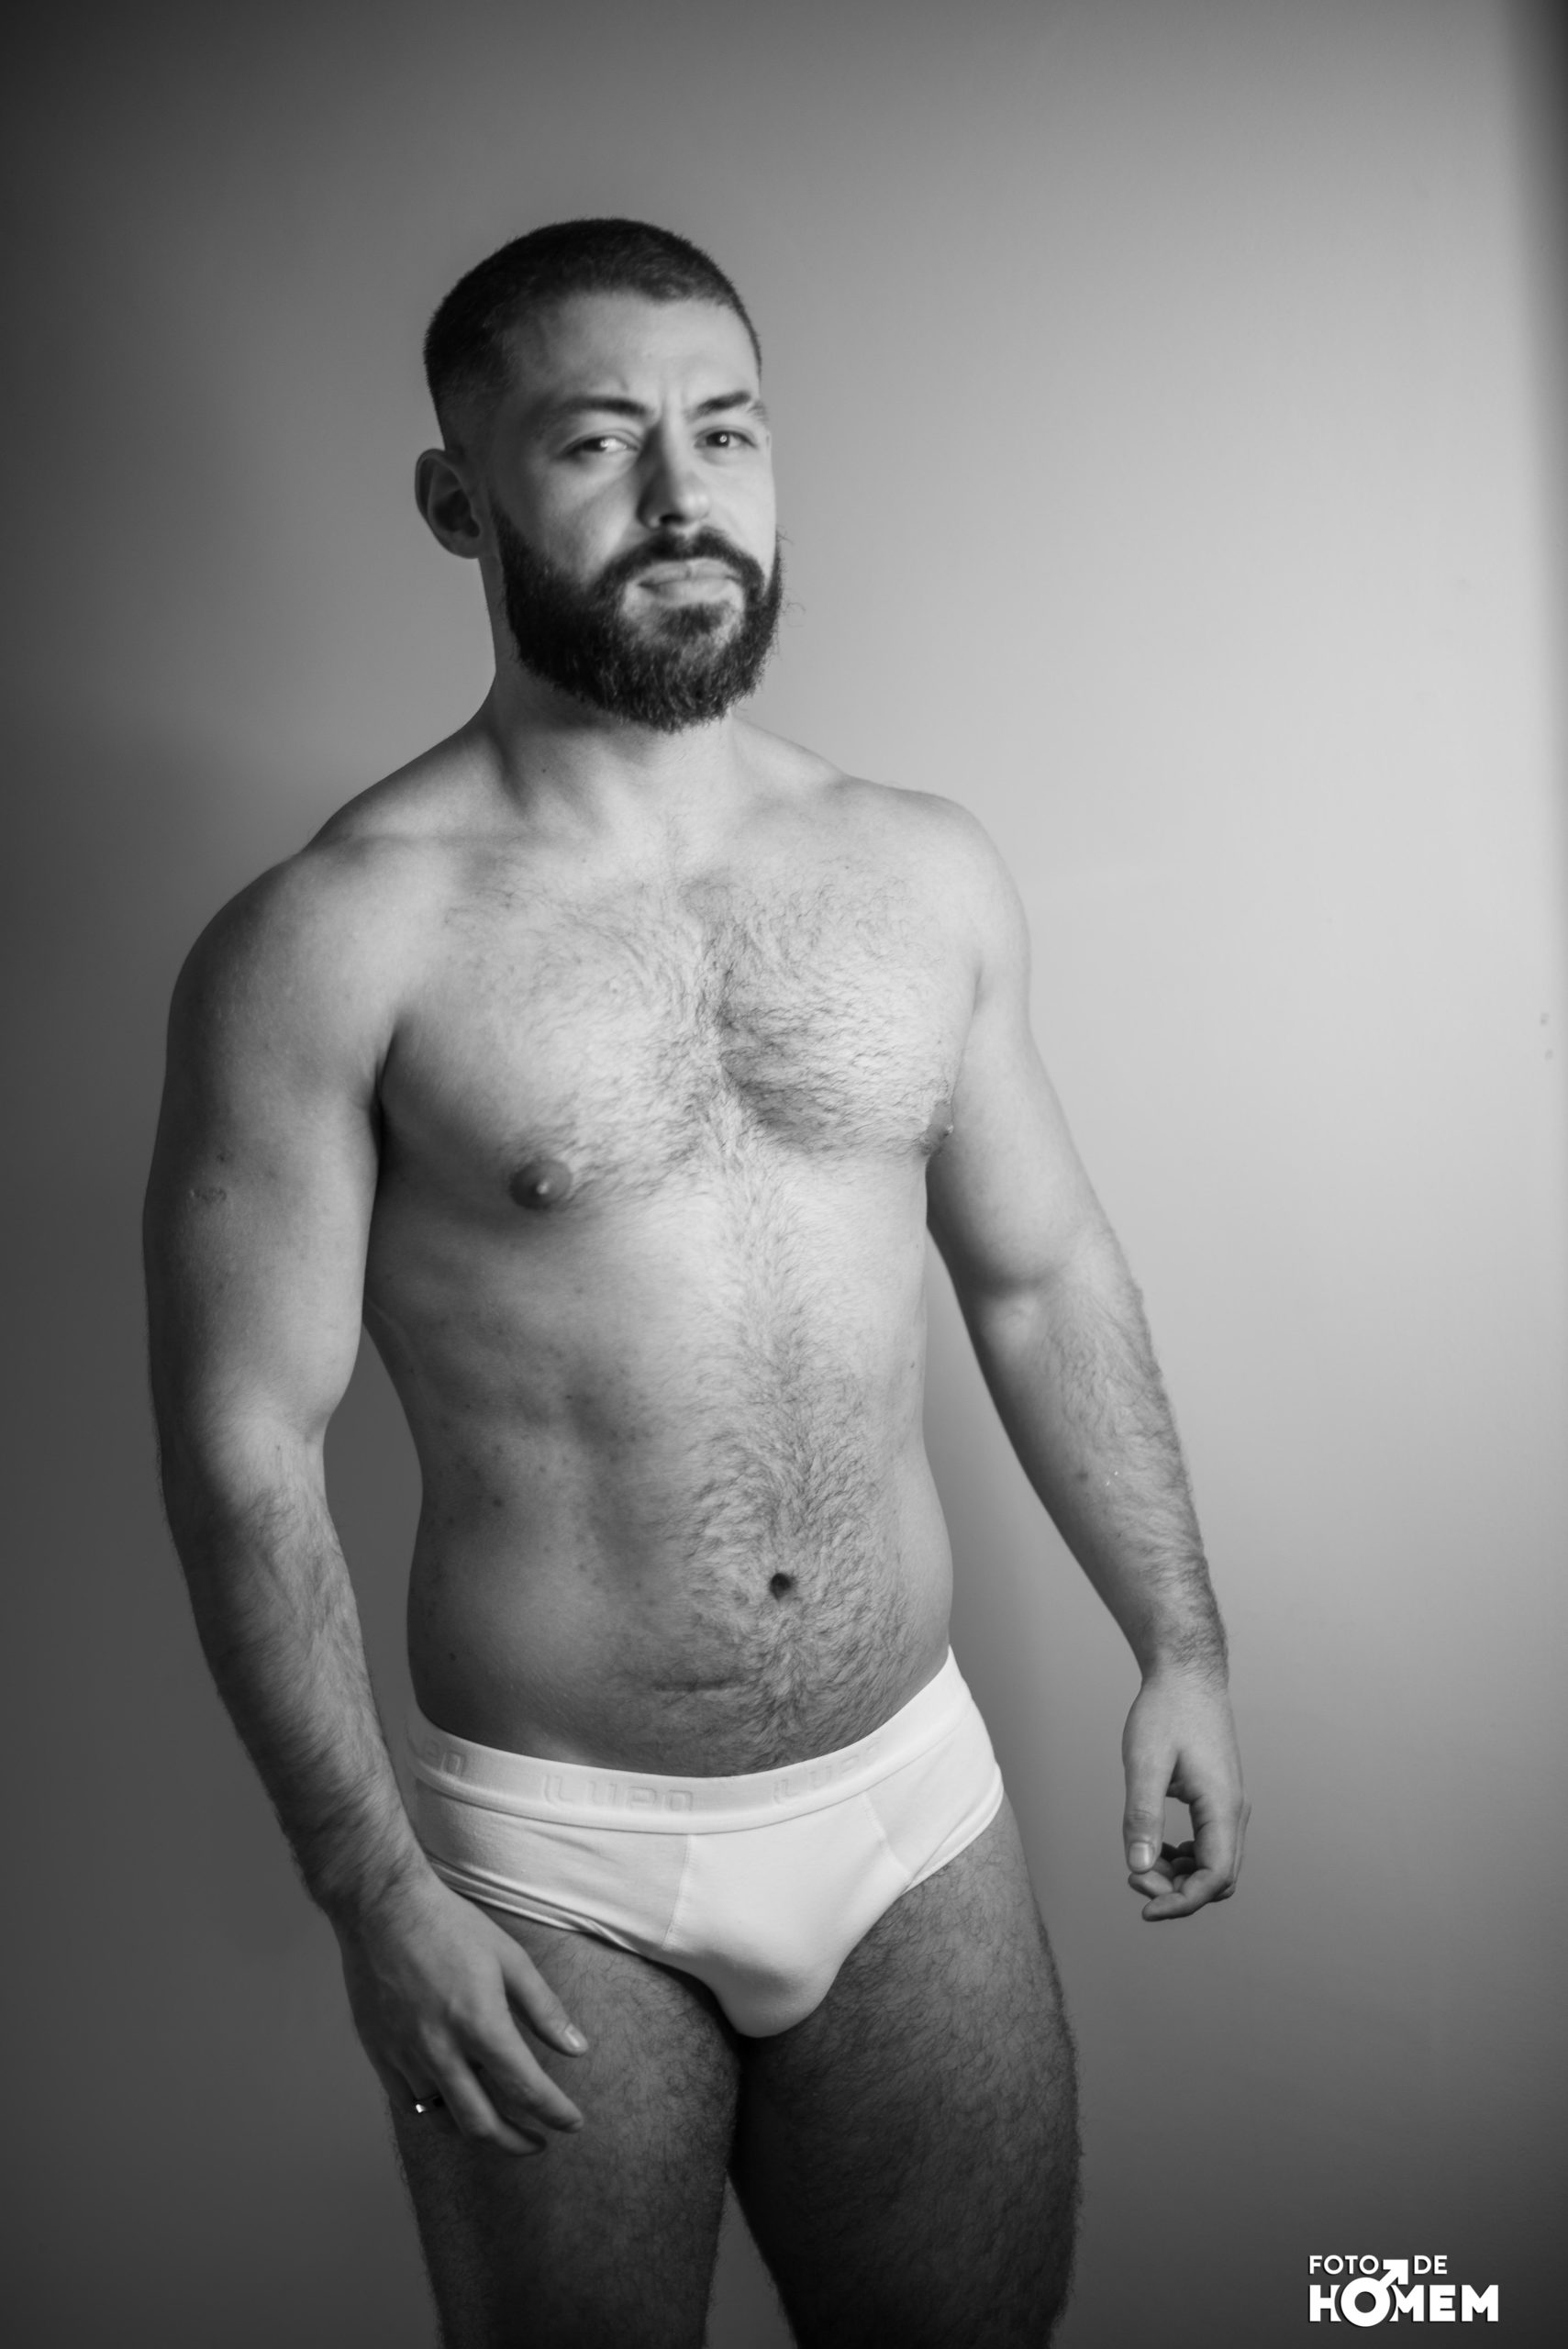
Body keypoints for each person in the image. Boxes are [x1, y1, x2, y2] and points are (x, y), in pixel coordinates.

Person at [144, 217, 1247, 2348]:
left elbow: (1039, 1276)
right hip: (559, 1857)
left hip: (912, 1806)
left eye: (726, 430)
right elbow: (242, 1443)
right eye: (596, 441)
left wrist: (1181, 1640)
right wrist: (371, 1887)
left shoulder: (918, 867)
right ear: (456, 500)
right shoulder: (331, 941)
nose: (683, 495)